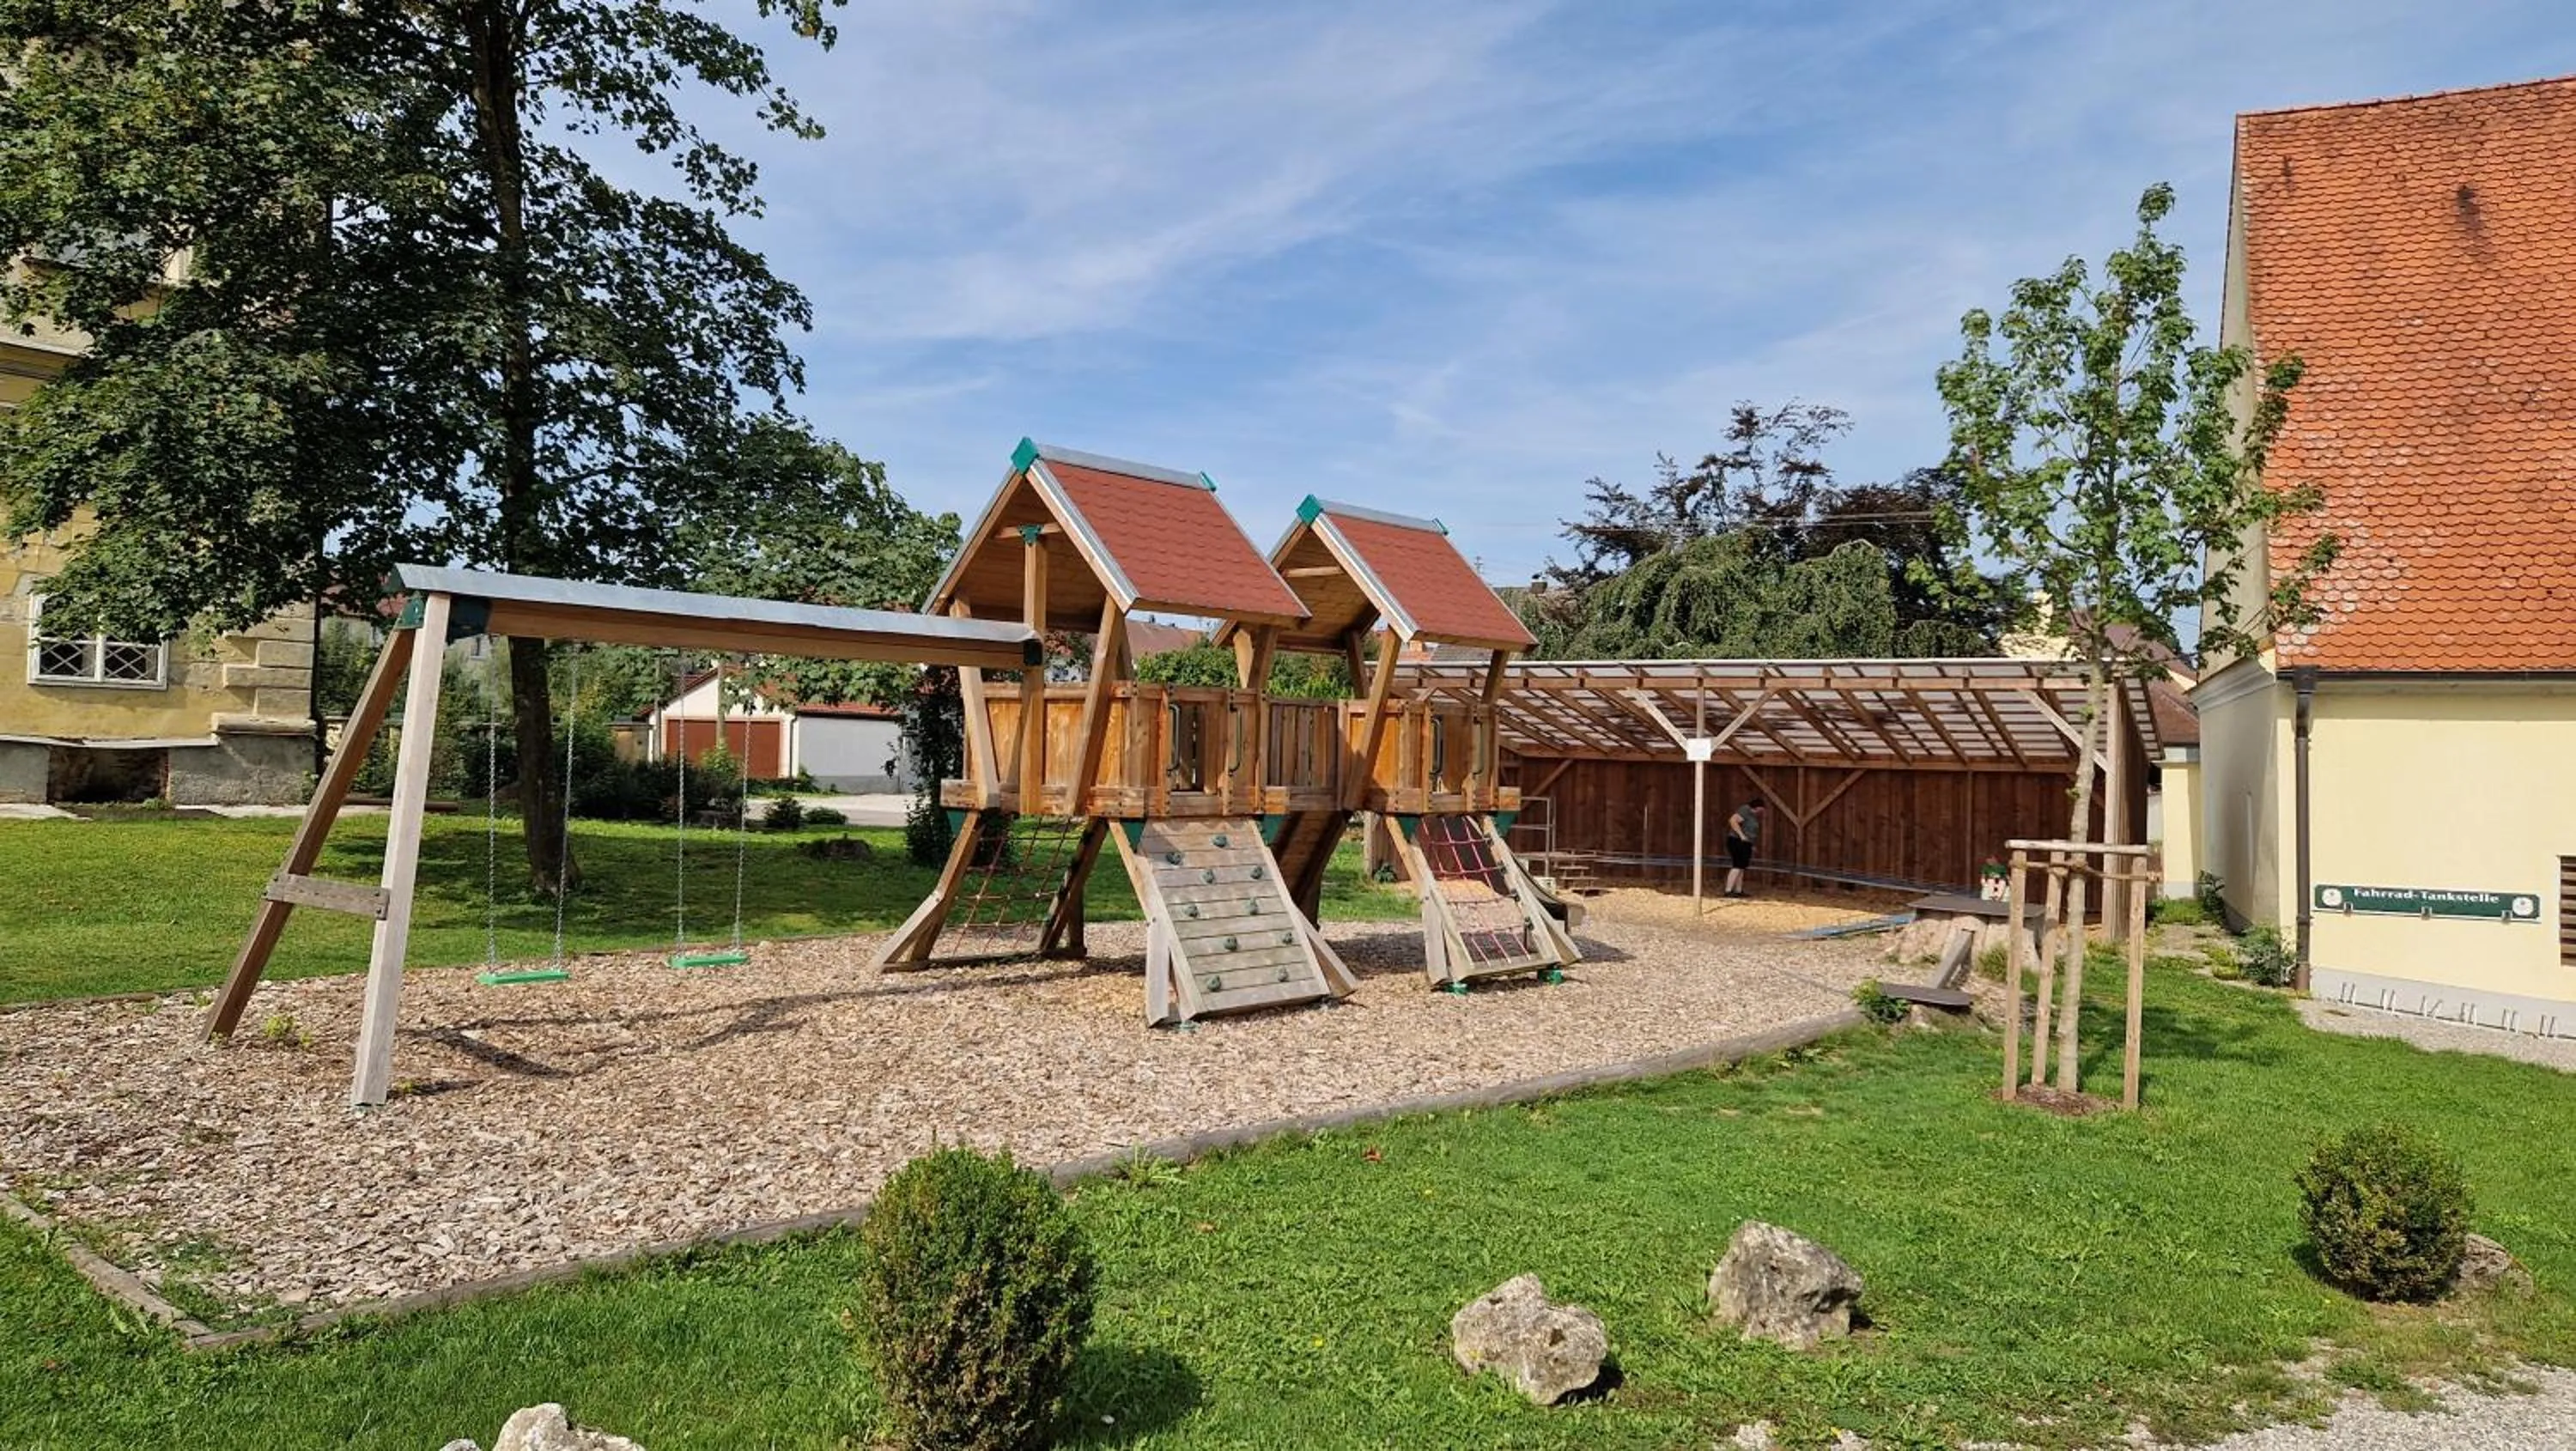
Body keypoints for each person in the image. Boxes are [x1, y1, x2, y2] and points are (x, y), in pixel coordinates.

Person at [1723, 798, 1764, 898]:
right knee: (1737, 865)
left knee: (1741, 867)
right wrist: (1741, 835)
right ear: (1757, 807)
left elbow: (1750, 831)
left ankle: (1738, 890)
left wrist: (1752, 844)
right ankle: (1728, 890)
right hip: (1737, 841)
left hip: (1746, 843)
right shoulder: (1745, 810)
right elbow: (1732, 820)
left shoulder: (1753, 816)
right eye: (1761, 809)